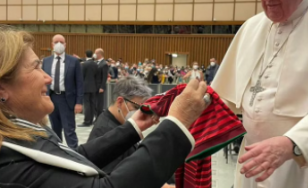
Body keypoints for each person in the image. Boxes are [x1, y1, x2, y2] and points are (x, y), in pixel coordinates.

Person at [0, 26, 209, 188]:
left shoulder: (18, 134)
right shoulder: (9, 161)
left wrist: (132, 128)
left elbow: (75, 158)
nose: (47, 77)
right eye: (36, 66)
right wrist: (176, 123)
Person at [211, 0, 308, 188]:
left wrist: (292, 144)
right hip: (253, 163)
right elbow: (227, 94)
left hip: (307, 167)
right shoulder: (251, 27)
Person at [42, 34, 83, 149]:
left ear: (65, 44)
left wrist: (79, 102)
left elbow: (79, 83)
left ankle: (74, 153)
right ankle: (58, 152)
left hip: (67, 99)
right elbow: (43, 81)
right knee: (55, 129)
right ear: (52, 44)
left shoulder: (74, 61)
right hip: (51, 98)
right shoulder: (46, 61)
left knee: (69, 130)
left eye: (61, 42)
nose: (59, 44)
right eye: (56, 42)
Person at [79, 50, 98, 127]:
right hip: (94, 86)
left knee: (87, 104)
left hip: (86, 86)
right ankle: (91, 120)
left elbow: (81, 76)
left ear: (85, 55)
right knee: (92, 104)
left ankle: (86, 121)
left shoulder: (84, 64)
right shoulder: (95, 64)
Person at [94, 48, 108, 119]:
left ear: (99, 54)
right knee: (95, 103)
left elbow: (104, 76)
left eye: (95, 53)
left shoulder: (104, 64)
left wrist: (102, 87)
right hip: (95, 86)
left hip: (100, 87)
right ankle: (96, 116)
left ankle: (99, 118)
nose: (94, 55)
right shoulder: (96, 62)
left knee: (99, 103)